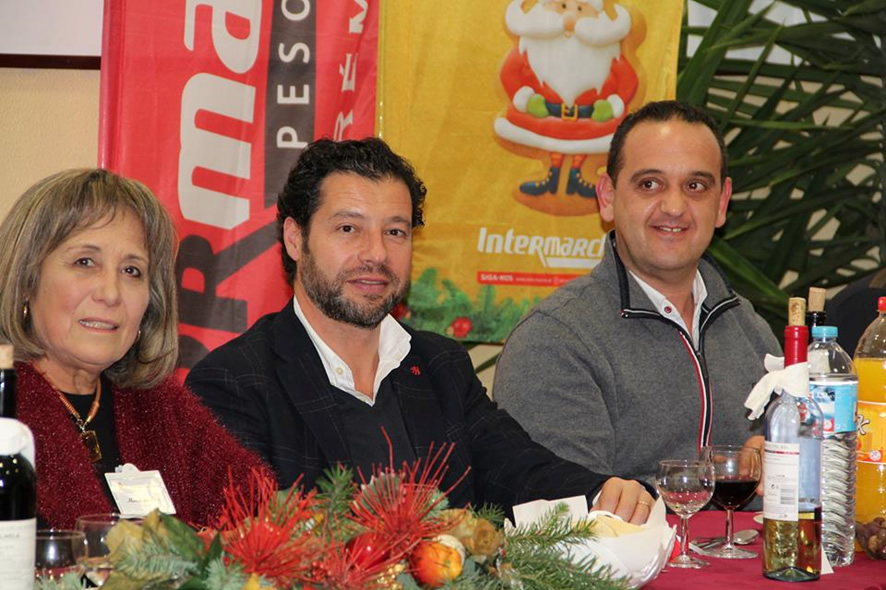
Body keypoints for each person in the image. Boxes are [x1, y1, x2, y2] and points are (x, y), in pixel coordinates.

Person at [186, 137, 655, 523]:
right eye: (348, 229)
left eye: (395, 232)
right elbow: (247, 544)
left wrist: (603, 493)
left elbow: (516, 468)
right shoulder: (234, 382)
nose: (376, 254)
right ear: (295, 238)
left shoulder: (440, 364)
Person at [493, 101, 781, 486]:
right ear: (607, 197)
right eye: (649, 184)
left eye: (695, 186)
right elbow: (565, 507)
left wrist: (778, 466)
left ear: (722, 203)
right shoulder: (554, 341)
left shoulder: (753, 333)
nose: (674, 207)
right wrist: (724, 478)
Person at [0, 169, 267, 528]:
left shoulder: (162, 407)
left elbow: (262, 513)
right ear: (26, 283)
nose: (111, 293)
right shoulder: (6, 408)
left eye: (131, 270)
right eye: (85, 262)